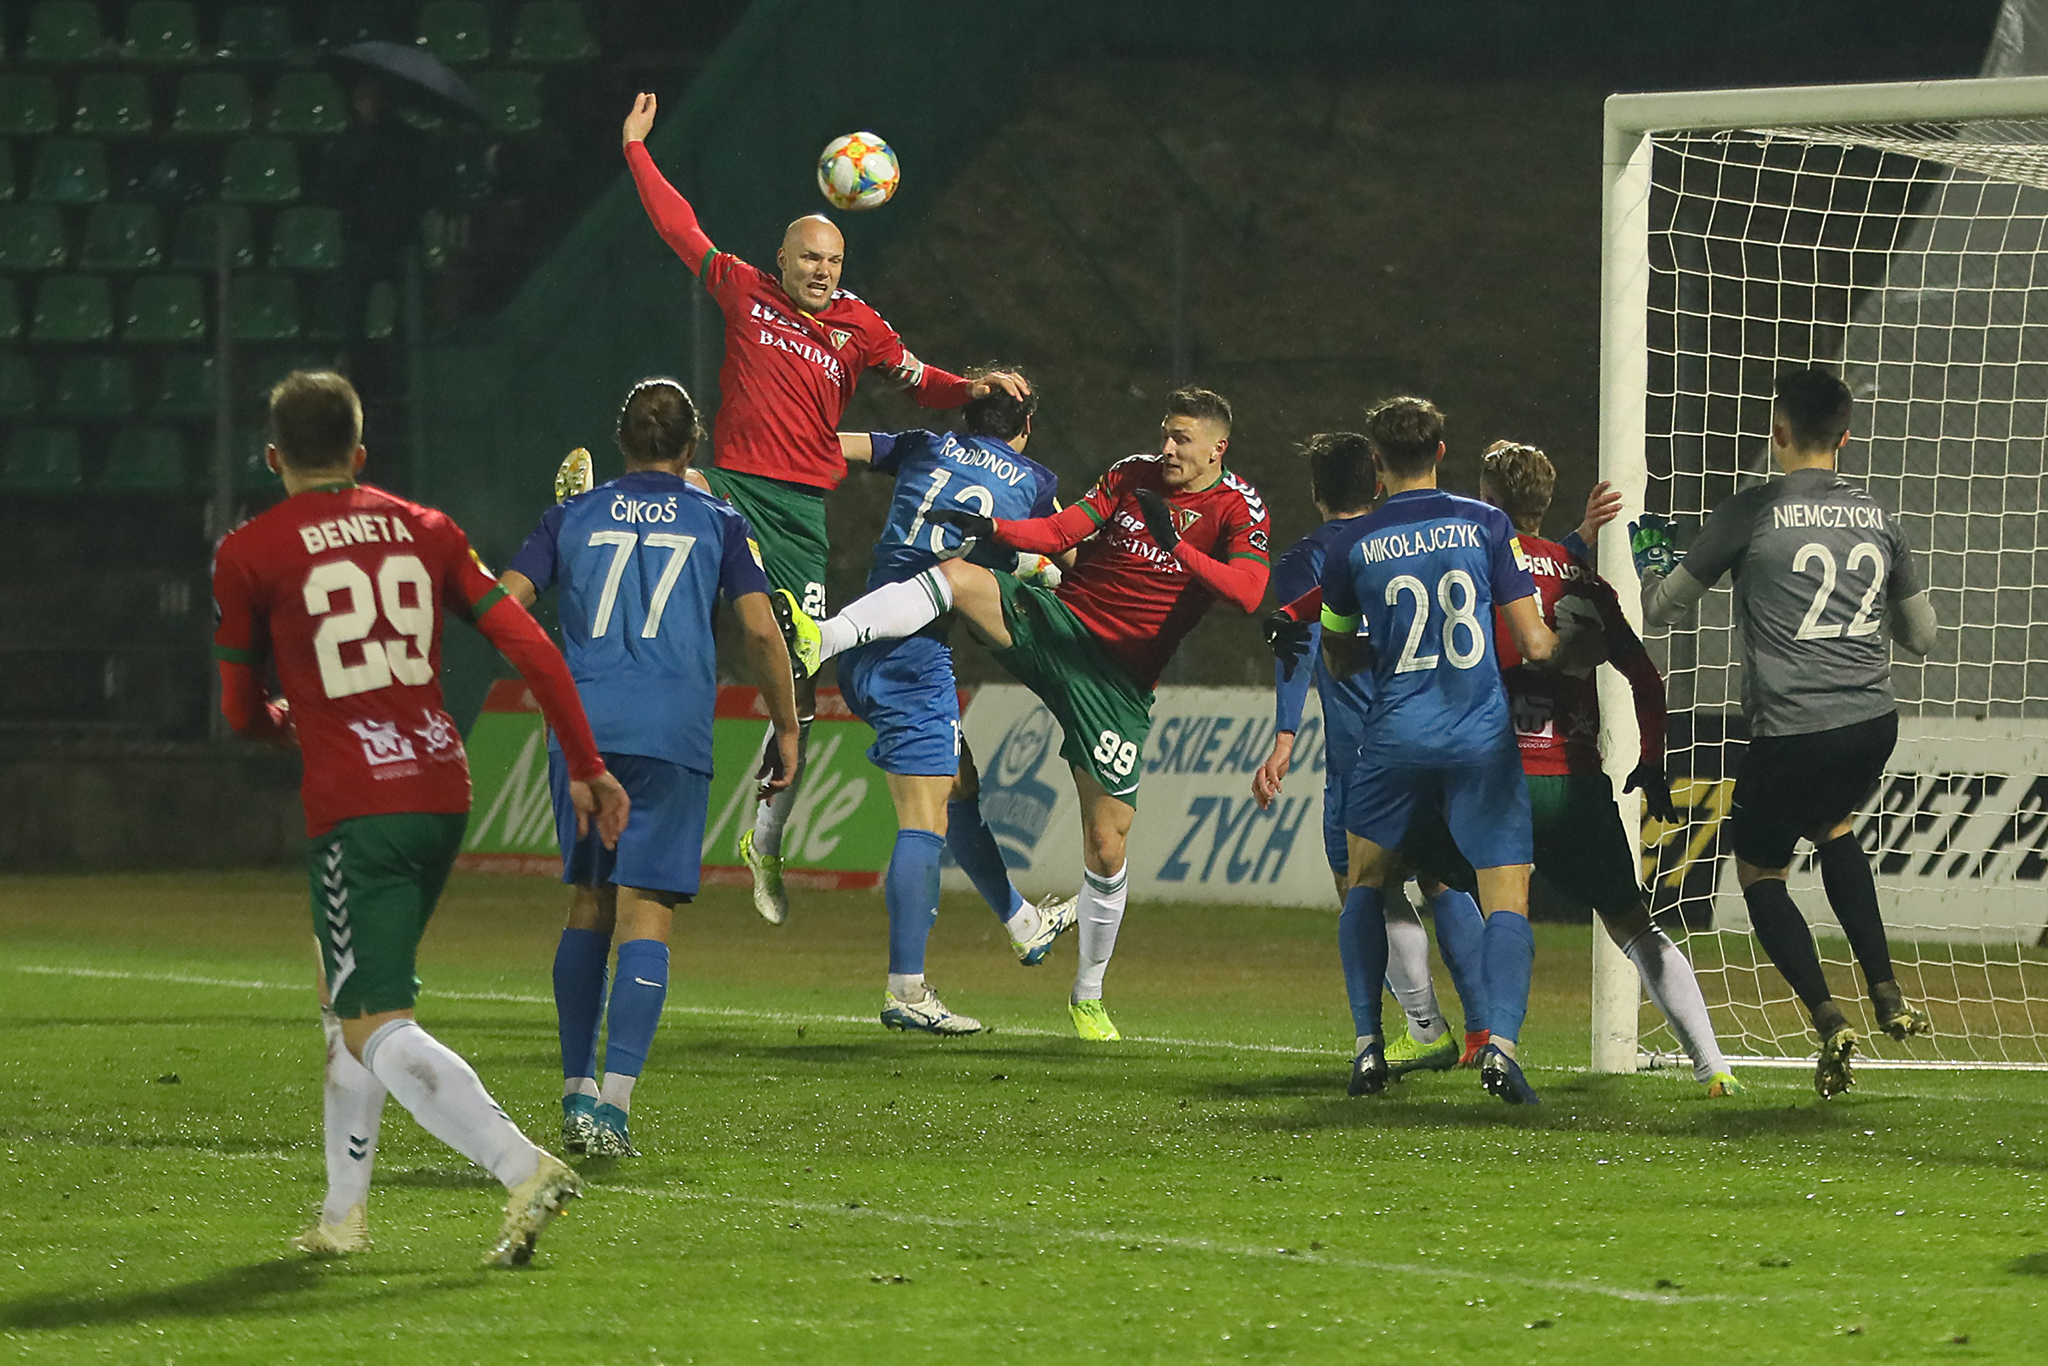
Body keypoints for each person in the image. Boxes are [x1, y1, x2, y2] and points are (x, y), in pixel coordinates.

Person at [212, 370, 629, 1265]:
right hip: (441, 785)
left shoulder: (249, 552)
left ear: (274, 458)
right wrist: (586, 763)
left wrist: (287, 720)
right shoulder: (426, 529)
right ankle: (342, 1216)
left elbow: (240, 711)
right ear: (360, 453)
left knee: (373, 1023)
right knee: (346, 1005)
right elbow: (530, 644)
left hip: (355, 807)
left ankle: (522, 1166)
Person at [620, 92, 1027, 928]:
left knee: (797, 696)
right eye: (809, 258)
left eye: (833, 261)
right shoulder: (743, 290)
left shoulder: (859, 327)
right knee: (670, 501)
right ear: (782, 258)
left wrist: (970, 386)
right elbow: (678, 228)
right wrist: (636, 151)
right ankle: (606, 507)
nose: (821, 271)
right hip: (734, 485)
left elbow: (920, 382)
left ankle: (764, 841)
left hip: (802, 518)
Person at [784, 388, 1271, 1040]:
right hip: (1059, 626)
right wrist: (996, 531)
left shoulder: (1239, 506)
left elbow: (1249, 593)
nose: (1168, 448)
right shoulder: (1133, 474)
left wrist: (1177, 548)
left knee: (1107, 844)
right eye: (1165, 433)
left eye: (1182, 439)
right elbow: (1063, 531)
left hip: (1117, 683)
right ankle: (824, 637)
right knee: (958, 575)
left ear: (1217, 448)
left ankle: (1087, 995)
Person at [499, 378, 802, 1158]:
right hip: (670, 730)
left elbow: (502, 607)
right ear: (691, 446)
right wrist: (785, 723)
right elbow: (761, 633)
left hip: (583, 729)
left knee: (589, 901)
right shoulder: (719, 521)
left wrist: (554, 678)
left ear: (622, 442)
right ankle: (614, 1111)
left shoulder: (570, 515)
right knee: (648, 910)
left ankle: (576, 1096)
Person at [1631, 366, 1939, 1098]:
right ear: (1845, 437)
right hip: (1871, 723)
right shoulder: (1877, 515)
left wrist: (1652, 559)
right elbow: (1922, 637)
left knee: (1760, 872)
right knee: (1833, 824)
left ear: (1778, 432)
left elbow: (1662, 608)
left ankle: (1829, 1018)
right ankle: (1886, 988)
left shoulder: (1752, 510)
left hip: (1792, 727)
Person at [1454, 440, 1742, 1095]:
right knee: (1633, 923)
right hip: (1579, 784)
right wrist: (1652, 760)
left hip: (1503, 777)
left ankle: (1487, 1041)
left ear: (1487, 500)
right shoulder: (1587, 582)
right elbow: (1647, 680)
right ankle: (1713, 1065)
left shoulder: (1477, 570)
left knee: (1426, 880)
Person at [1318, 397, 1562, 1105]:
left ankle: (1368, 1048)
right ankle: (1501, 1050)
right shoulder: (1486, 524)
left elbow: (1337, 653)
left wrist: (1385, 651)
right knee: (1506, 893)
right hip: (1478, 741)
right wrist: (1573, 646)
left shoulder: (1350, 544)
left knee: (1366, 883)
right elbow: (1535, 642)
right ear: (1442, 452)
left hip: (1395, 739)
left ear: (1375, 461)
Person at [833, 371, 1081, 1033]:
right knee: (925, 818)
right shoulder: (1033, 482)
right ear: (1026, 427)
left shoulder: (923, 444)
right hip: (913, 656)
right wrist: (1046, 570)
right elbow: (1062, 554)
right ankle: (907, 990)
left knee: (961, 784)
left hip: (865, 636)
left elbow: (833, 446)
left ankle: (1022, 922)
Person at [1251, 434, 1492, 1080]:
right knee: (1440, 878)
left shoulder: (1311, 557)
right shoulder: (1418, 542)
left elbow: (1298, 645)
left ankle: (1424, 1027)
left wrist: (1284, 737)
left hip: (1363, 752)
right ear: (1377, 483)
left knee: (1361, 884)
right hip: (1437, 736)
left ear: (1315, 491)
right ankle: (1483, 1030)